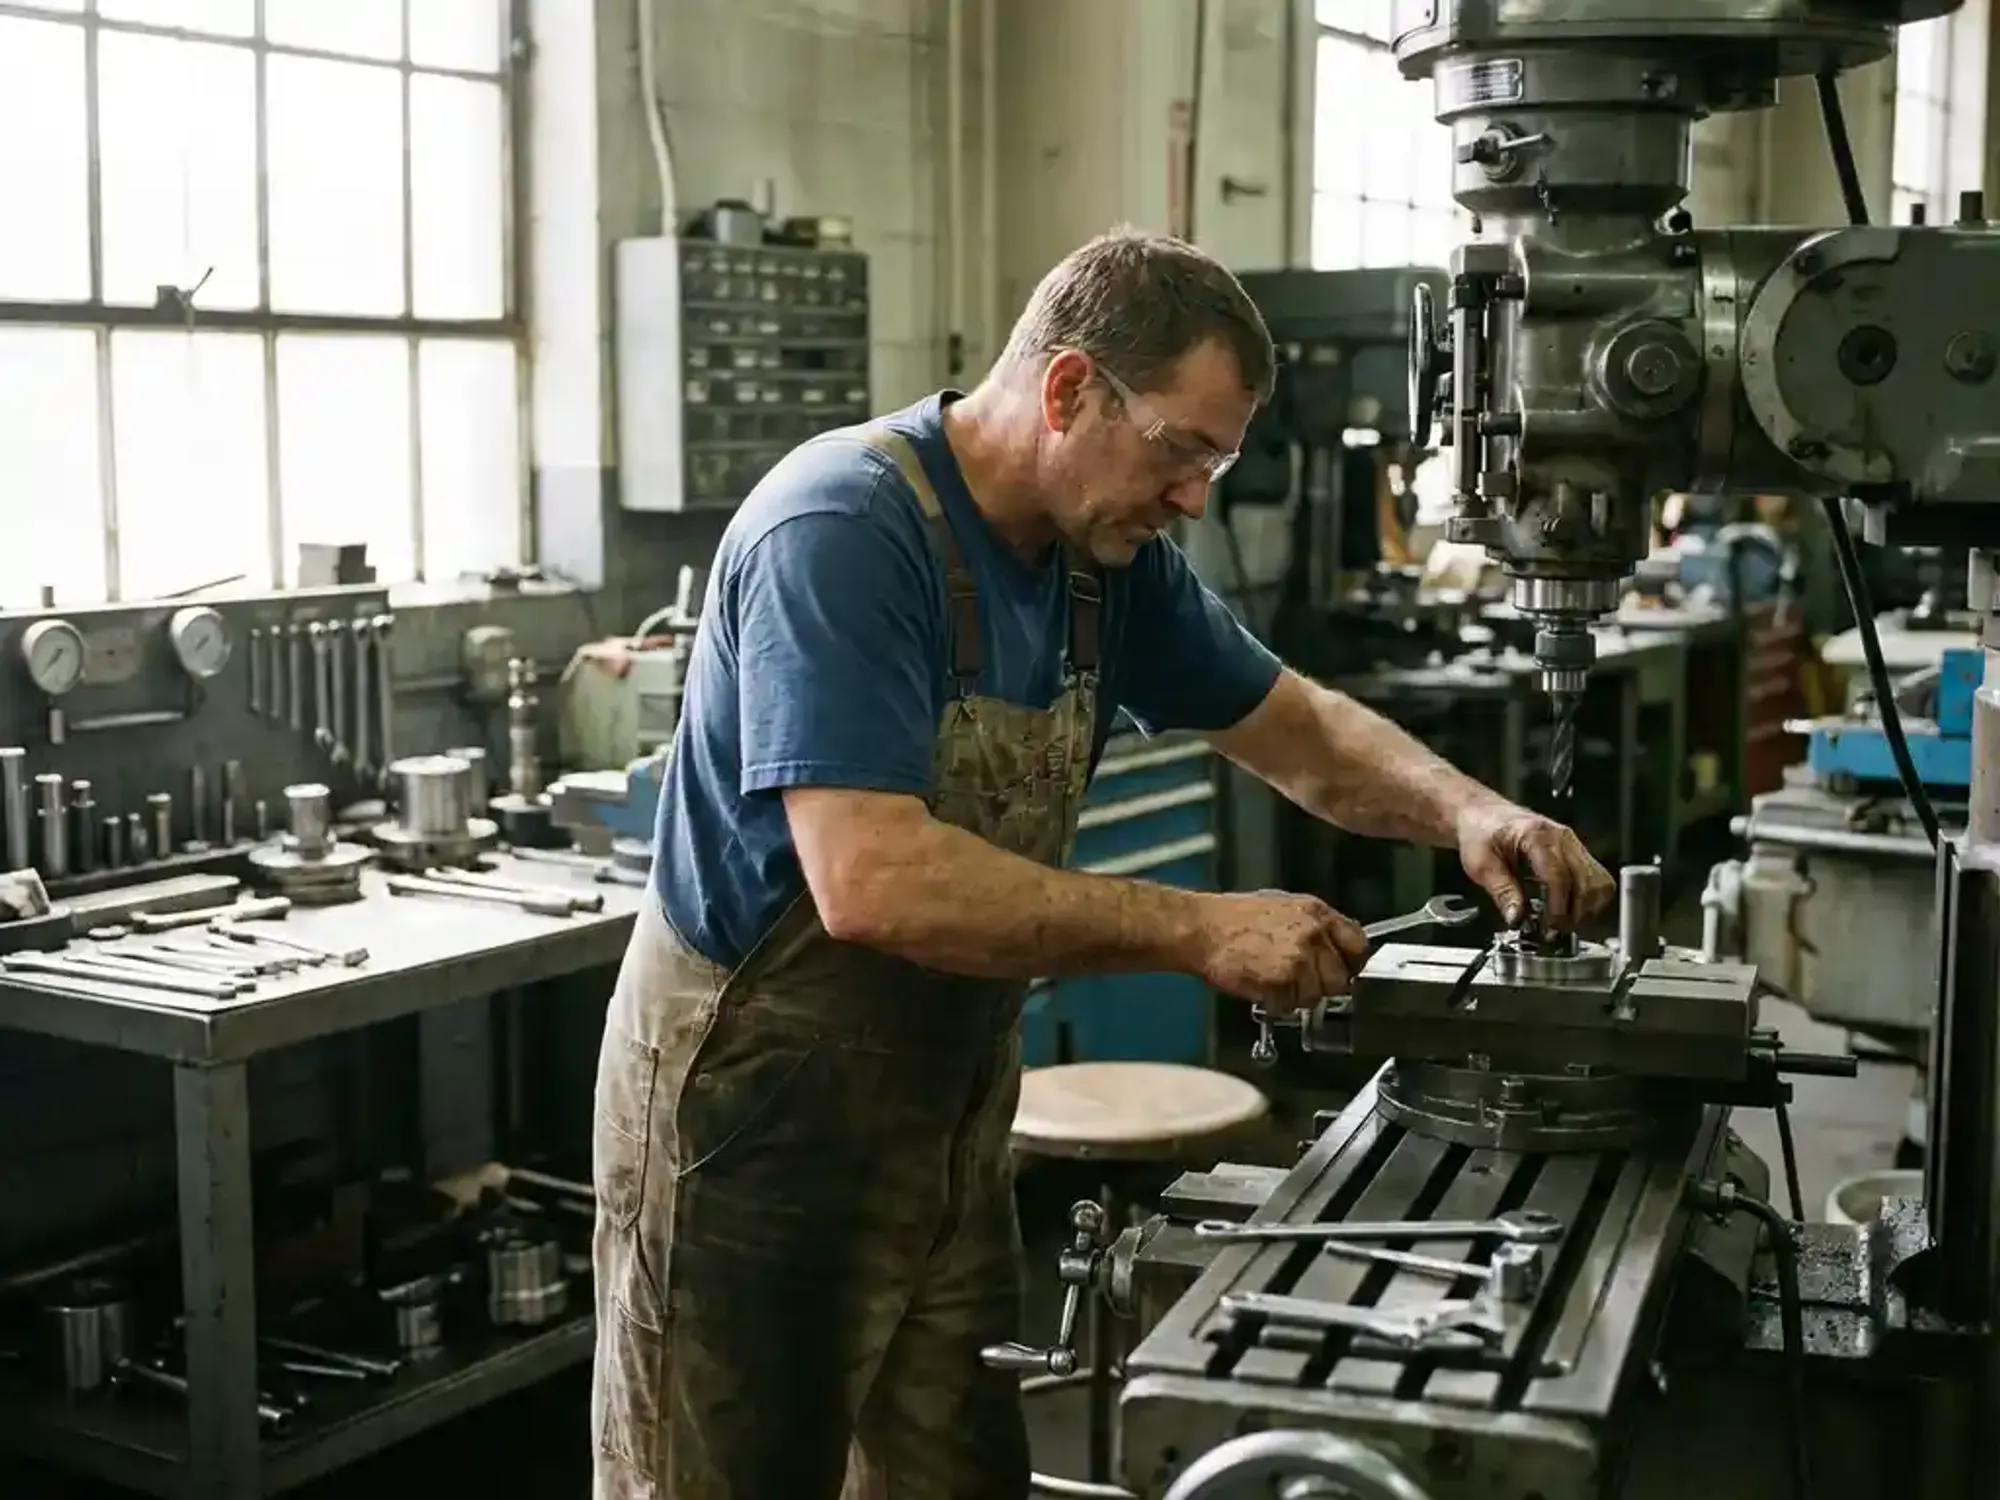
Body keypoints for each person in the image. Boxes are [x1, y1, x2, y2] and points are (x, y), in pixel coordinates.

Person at [590, 227, 1614, 1500]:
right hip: (754, 1120)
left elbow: (1293, 725)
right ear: (1069, 389)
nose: (1193, 496)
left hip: (947, 1110)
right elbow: (873, 880)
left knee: (952, 1475)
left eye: (1215, 461)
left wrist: (1468, 812)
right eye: (1180, 450)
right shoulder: (843, 528)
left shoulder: (1104, 561)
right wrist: (1195, 929)